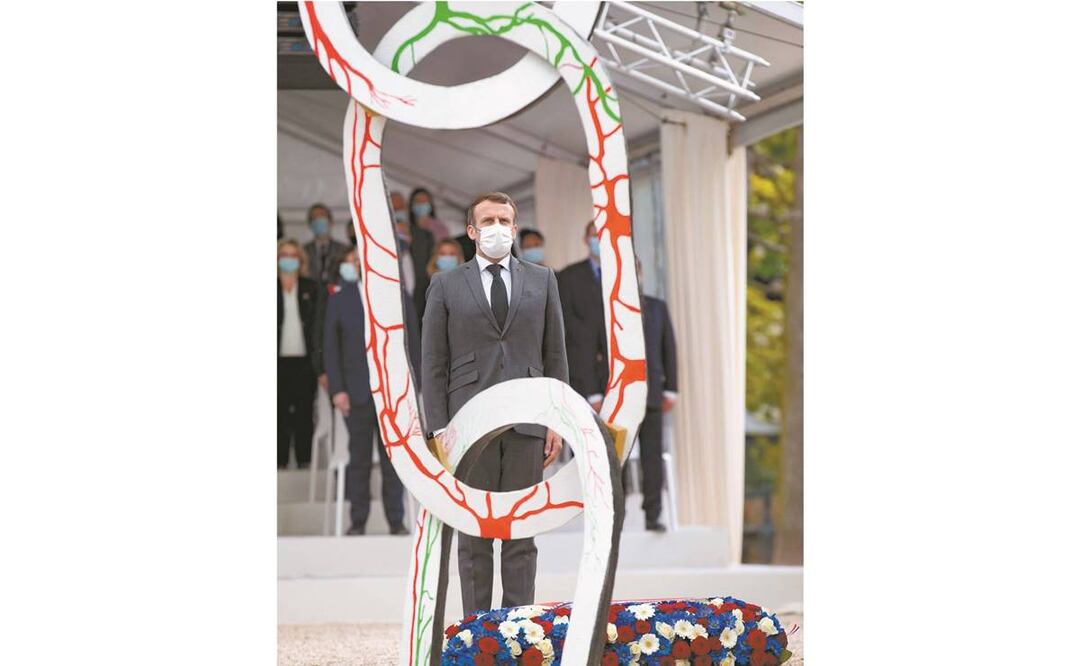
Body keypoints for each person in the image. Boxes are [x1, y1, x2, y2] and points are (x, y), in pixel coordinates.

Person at [422, 191, 568, 615]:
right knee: (474, 536)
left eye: (505, 220)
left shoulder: (543, 280)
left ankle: (518, 630)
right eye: (488, 221)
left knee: (522, 533)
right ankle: (476, 630)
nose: (497, 229)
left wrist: (555, 421)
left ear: (515, 226)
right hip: (467, 428)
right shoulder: (445, 284)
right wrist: (438, 428)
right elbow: (434, 362)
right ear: (471, 231)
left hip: (528, 424)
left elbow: (555, 354)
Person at [323, 248, 408, 536]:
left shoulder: (395, 293)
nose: (360, 264)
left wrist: (411, 387)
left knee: (393, 462)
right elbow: (331, 350)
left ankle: (396, 521)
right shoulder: (339, 298)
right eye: (356, 261)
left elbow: (413, 341)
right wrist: (338, 390)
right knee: (358, 459)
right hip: (356, 393)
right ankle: (357, 521)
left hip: (392, 394)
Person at [630, 258, 678, 532]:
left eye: (635, 270)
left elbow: (668, 348)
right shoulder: (608, 307)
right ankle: (616, 516)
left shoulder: (657, 307)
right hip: (618, 396)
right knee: (618, 458)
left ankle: (653, 514)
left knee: (652, 456)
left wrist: (671, 388)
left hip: (652, 395)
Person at [278, 239, 325, 469]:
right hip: (277, 361)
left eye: (293, 255)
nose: (288, 259)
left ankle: (305, 458)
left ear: (300, 259)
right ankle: (280, 459)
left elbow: (317, 326)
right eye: (284, 254)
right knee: (278, 411)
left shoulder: (310, 287)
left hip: (305, 360)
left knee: (305, 411)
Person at [556, 222, 608, 412]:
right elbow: (565, 318)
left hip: (613, 371)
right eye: (594, 235)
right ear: (586, 239)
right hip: (582, 369)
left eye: (602, 234)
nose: (598, 239)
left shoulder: (621, 273)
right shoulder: (569, 276)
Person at [391, 191, 434, 325]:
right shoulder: (379, 239)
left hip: (421, 307)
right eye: (394, 208)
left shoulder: (424, 235)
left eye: (401, 207)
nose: (398, 211)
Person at [303, 203, 350, 285]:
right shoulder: (303, 251)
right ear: (310, 224)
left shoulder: (343, 249)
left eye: (322, 216)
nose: (318, 220)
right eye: (314, 218)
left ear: (331, 221)